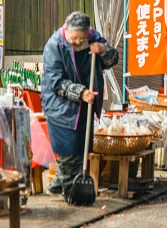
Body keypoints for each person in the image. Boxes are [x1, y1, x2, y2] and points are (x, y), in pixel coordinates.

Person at [41, 11, 119, 196]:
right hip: (59, 106)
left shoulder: (93, 37)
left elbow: (112, 60)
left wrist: (103, 50)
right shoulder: (54, 46)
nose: (77, 42)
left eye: (81, 39)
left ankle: (58, 184)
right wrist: (81, 92)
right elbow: (56, 81)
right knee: (69, 152)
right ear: (66, 30)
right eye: (74, 38)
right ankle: (72, 195)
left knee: (79, 148)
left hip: (85, 105)